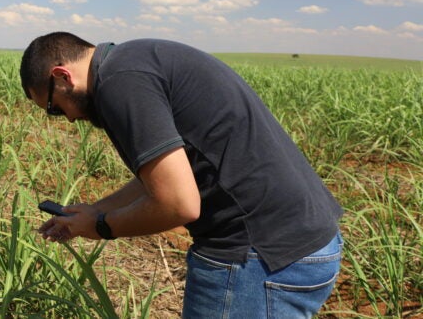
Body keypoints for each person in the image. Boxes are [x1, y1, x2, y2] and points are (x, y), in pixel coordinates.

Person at [19, 31, 343, 318]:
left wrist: (101, 226)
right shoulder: (136, 60)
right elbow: (162, 176)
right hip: (306, 243)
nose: (67, 118)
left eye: (54, 108)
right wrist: (96, 210)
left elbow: (178, 204)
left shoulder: (119, 82)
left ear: (62, 76)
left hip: (257, 259)